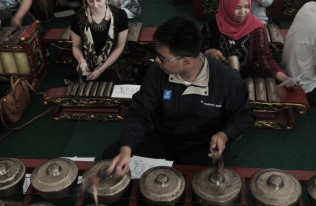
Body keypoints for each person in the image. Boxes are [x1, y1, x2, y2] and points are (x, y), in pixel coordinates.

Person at [103, 16, 255, 177]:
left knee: (206, 185)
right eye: (156, 54)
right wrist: (127, 148)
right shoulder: (156, 72)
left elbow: (244, 115)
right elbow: (141, 111)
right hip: (162, 137)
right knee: (111, 157)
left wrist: (224, 134)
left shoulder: (228, 80)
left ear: (186, 61)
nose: (156, 60)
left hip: (202, 144)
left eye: (162, 58)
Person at [202, 0, 294, 87]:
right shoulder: (212, 24)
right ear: (227, 5)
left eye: (246, 6)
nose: (243, 12)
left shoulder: (256, 28)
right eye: (237, 7)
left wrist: (284, 78)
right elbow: (197, 51)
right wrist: (208, 52)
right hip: (216, 73)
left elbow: (264, 57)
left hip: (244, 75)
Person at [69, 0, 134, 84]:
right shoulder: (78, 17)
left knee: (109, 83)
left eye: (99, 0)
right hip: (88, 62)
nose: (95, 5)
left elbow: (119, 47)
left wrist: (100, 69)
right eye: (90, 0)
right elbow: (76, 46)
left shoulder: (120, 15)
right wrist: (81, 61)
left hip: (113, 62)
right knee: (82, 85)